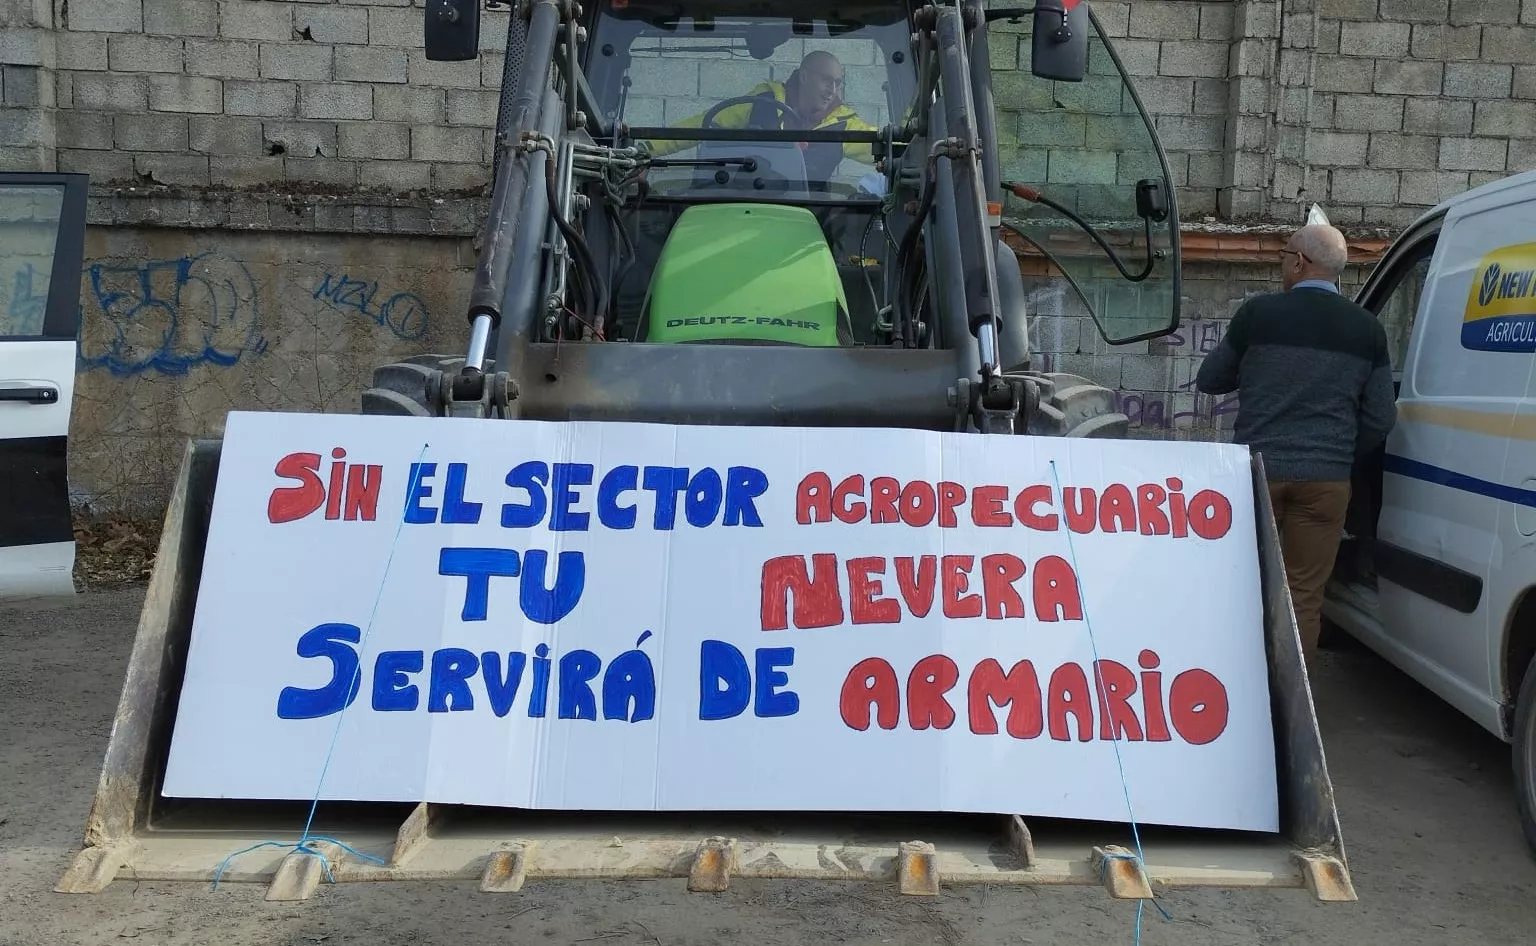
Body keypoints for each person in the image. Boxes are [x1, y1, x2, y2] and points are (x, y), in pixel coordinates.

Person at [1194, 223, 1397, 665]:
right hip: (1326, 483)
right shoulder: (1368, 331)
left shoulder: (1258, 315)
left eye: (1284, 255)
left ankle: (1233, 691)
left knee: (1243, 583)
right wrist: (1338, 450)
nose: (1282, 263)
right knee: (1304, 595)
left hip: (1258, 474)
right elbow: (1382, 416)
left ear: (1300, 262)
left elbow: (1210, 380)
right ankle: (1290, 715)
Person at [643, 50, 879, 183]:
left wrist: (914, 151)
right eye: (827, 81)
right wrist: (645, 151)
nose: (833, 91)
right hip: (746, 204)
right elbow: (700, 127)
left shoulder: (844, 125)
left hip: (810, 217)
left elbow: (886, 149)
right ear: (805, 76)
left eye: (838, 83)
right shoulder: (760, 103)